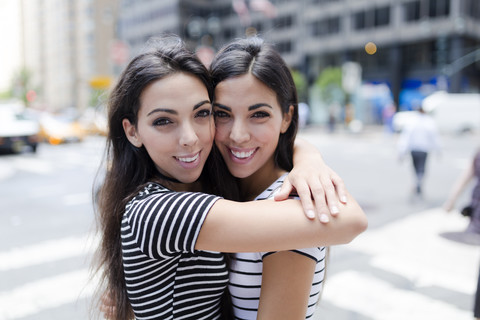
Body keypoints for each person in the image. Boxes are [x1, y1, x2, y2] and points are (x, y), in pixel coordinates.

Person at [93, 35, 367, 320]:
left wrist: (308, 157)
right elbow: (352, 219)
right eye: (164, 121)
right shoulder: (161, 210)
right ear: (132, 131)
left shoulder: (281, 194)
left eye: (202, 114)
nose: (189, 138)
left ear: (287, 118)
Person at [209, 36, 326, 319]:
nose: (238, 135)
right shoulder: (222, 191)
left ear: (287, 118)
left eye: (258, 114)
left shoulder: (291, 202)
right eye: (222, 114)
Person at [397, 105, 441, 197]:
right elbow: (434, 138)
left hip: (414, 149)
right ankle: (419, 182)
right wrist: (438, 151)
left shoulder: (412, 122)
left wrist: (401, 152)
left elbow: (405, 138)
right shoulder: (429, 122)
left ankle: (417, 182)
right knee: (421, 168)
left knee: (415, 167)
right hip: (424, 150)